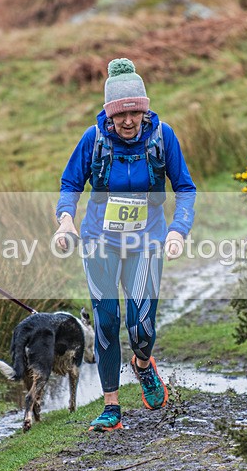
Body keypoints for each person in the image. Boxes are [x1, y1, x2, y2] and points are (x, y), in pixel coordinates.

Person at [54, 58, 196, 432]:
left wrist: (178, 230)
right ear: (109, 113)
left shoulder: (163, 137)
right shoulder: (93, 140)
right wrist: (66, 221)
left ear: (144, 110)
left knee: (141, 324)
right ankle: (111, 406)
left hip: (147, 240)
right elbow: (70, 184)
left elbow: (185, 187)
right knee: (106, 320)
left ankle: (143, 364)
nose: (128, 121)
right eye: (120, 114)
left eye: (135, 112)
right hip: (99, 241)